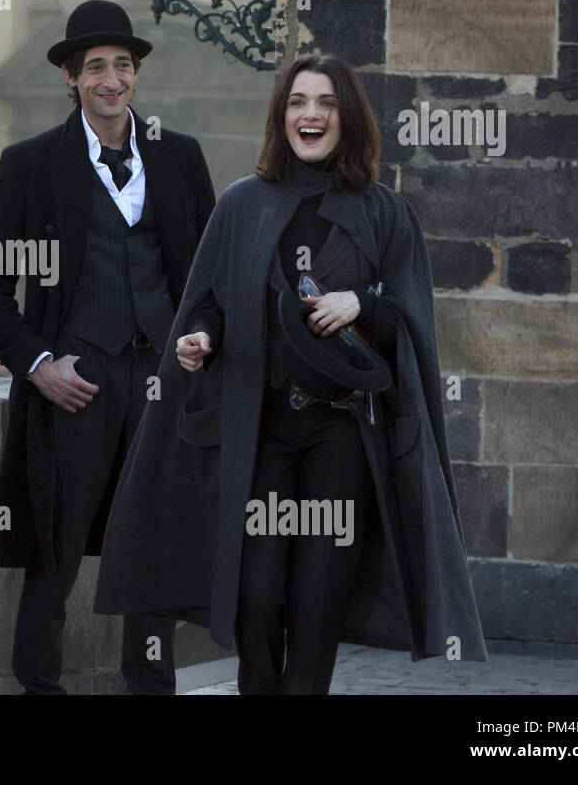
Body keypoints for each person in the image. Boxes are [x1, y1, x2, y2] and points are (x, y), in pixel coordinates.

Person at [93, 53, 487, 693]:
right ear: (282, 116)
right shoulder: (244, 205)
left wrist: (365, 304)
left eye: (326, 103)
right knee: (255, 598)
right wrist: (198, 340)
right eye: (299, 102)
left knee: (315, 605)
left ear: (347, 117)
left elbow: (412, 325)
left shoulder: (384, 213)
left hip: (341, 437)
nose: (311, 114)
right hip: (260, 430)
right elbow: (210, 302)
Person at [0, 0, 216, 694]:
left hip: (161, 380)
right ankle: (39, 684)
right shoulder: (30, 164)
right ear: (70, 79)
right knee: (56, 549)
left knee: (154, 545)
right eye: (97, 67)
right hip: (77, 380)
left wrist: (197, 343)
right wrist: (40, 365)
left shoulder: (179, 156)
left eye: (124, 66)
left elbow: (207, 281)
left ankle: (150, 686)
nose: (113, 80)